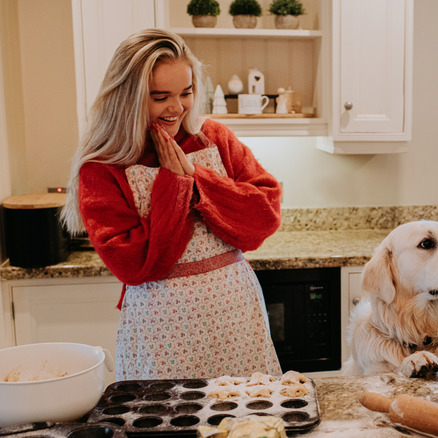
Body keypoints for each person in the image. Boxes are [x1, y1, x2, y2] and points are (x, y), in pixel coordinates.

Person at [61, 29, 283, 380]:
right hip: (159, 324)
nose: (177, 107)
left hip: (235, 313)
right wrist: (174, 184)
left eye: (187, 92)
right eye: (160, 96)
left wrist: (196, 178)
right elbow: (135, 265)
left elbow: (263, 216)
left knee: (246, 419)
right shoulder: (102, 167)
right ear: (127, 98)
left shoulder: (214, 138)